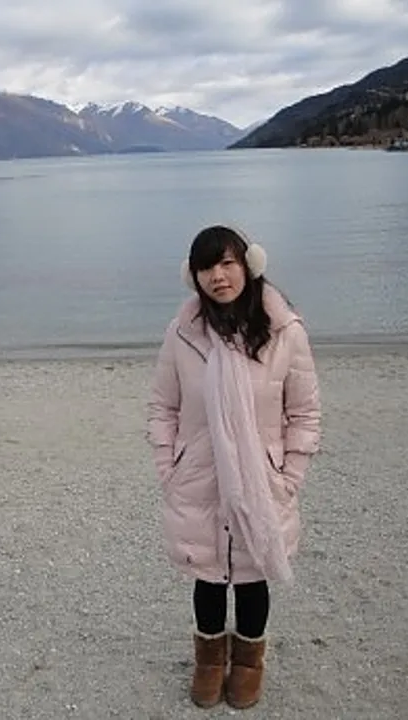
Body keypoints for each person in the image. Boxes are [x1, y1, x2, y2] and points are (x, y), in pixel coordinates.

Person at [146, 225, 321, 710]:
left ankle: (247, 664)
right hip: (198, 478)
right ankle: (208, 662)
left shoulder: (285, 332)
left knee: (251, 575)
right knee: (207, 575)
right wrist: (169, 466)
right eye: (206, 267)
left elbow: (304, 413)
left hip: (263, 481)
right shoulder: (183, 334)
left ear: (250, 265)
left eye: (227, 263)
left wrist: (289, 476)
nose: (218, 276)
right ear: (194, 276)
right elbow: (162, 406)